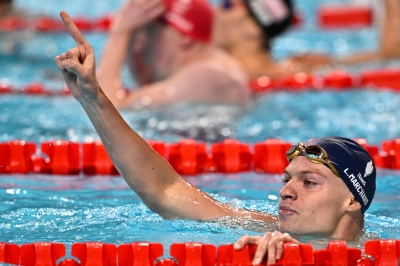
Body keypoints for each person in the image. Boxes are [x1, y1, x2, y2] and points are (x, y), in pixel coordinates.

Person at [55, 11, 377, 264]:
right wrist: (93, 98)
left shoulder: (382, 252)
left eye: (309, 182)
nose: (285, 192)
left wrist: (306, 256)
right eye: (287, 179)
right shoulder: (262, 230)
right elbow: (165, 191)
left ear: (351, 200)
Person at [97, 0, 250, 110]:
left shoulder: (205, 76)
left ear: (184, 38)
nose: (142, 47)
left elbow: (107, 111)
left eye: (152, 33)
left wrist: (120, 33)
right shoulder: (220, 64)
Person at [212, 0, 400, 80]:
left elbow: (390, 54)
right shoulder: (302, 66)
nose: (215, 11)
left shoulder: (300, 68)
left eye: (227, 4)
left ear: (252, 28)